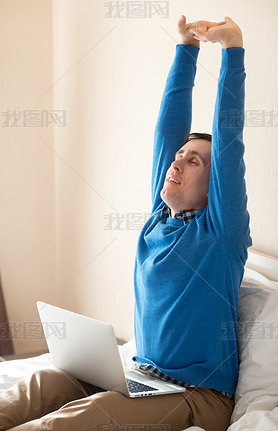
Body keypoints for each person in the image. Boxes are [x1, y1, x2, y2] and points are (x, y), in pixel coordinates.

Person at [0, 15, 252, 431]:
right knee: (44, 383)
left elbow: (230, 140)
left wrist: (232, 49)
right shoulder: (159, 217)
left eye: (194, 161)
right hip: (141, 376)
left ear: (215, 187)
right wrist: (186, 50)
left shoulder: (219, 234)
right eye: (178, 155)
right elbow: (167, 124)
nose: (177, 161)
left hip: (198, 397)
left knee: (92, 415)